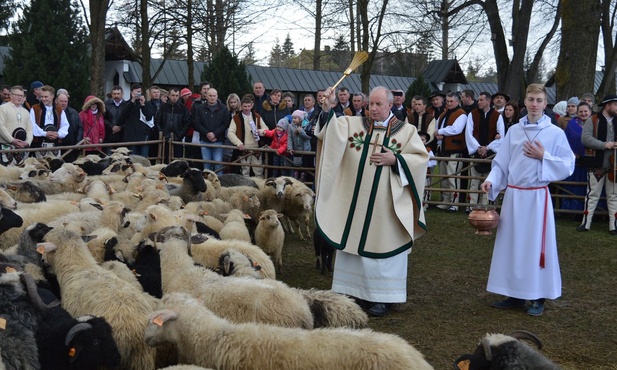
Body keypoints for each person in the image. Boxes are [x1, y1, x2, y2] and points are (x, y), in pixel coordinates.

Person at [314, 86, 428, 317]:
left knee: (384, 243)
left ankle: (383, 297)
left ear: (389, 105)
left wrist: (395, 159)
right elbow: (331, 134)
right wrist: (329, 108)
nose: (373, 109)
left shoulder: (406, 132)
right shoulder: (354, 125)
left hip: (386, 204)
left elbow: (420, 159)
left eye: (378, 105)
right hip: (356, 202)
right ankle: (352, 292)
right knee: (353, 243)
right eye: (370, 105)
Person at [480, 83, 575, 317]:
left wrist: (545, 156)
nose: (534, 104)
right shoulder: (514, 131)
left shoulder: (554, 133)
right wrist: (492, 180)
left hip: (536, 198)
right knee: (512, 244)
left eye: (539, 100)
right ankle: (514, 293)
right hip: (513, 196)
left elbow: (568, 164)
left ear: (545, 104)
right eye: (531, 99)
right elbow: (502, 163)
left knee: (535, 246)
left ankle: (537, 296)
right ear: (524, 102)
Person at [577, 94, 617, 234]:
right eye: (615, 104)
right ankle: (585, 223)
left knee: (613, 195)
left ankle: (614, 225)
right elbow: (585, 138)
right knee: (592, 194)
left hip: (615, 165)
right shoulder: (592, 120)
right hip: (596, 163)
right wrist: (604, 145)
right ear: (607, 105)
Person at [465, 92, 505, 210]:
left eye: (482, 100)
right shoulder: (472, 114)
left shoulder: (497, 115)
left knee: (488, 180)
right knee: (474, 181)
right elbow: (469, 133)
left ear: (488, 101)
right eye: (478, 100)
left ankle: (485, 205)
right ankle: (472, 205)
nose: (479, 102)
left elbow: (501, 135)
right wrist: (478, 148)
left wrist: (488, 147)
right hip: (476, 152)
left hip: (490, 154)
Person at [434, 92, 468, 211]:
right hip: (442, 148)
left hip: (455, 149)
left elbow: (456, 129)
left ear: (457, 101)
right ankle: (445, 200)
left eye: (451, 101)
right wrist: (438, 134)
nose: (449, 103)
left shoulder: (461, 114)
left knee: (453, 177)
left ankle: (455, 203)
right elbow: (436, 128)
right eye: (447, 101)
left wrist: (441, 132)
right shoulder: (443, 114)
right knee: (444, 177)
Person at [561, 102, 592, 213]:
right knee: (574, 186)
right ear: (577, 112)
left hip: (591, 161)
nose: (583, 113)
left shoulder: (595, 123)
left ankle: (591, 211)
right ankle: (572, 211)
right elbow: (566, 140)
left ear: (590, 111)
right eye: (581, 111)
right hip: (576, 161)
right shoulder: (572, 124)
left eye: (585, 111)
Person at [228, 95, 268, 178]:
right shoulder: (236, 118)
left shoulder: (257, 116)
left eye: (248, 106)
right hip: (244, 147)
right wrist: (238, 143)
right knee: (244, 170)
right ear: (241, 106)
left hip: (256, 148)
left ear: (252, 105)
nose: (247, 108)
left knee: (258, 170)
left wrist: (259, 131)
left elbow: (265, 129)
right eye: (245, 106)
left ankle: (259, 188)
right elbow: (230, 132)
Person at [192, 88, 230, 172]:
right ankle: (207, 183)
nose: (212, 98)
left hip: (218, 140)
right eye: (210, 96)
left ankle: (219, 182)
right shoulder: (200, 108)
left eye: (214, 96)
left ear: (217, 96)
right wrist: (207, 133)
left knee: (218, 164)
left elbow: (226, 123)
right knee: (206, 164)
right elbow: (197, 123)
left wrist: (215, 134)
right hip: (205, 140)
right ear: (206, 96)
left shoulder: (223, 109)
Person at [29, 85, 69, 159]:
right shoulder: (35, 109)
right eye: (42, 97)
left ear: (52, 96)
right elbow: (32, 125)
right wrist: (45, 133)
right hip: (40, 144)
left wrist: (58, 134)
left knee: (55, 166)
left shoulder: (59, 110)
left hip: (55, 144)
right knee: (41, 167)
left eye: (46, 97)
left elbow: (65, 125)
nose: (43, 99)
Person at [117, 83, 156, 158]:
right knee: (132, 159)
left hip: (143, 137)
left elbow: (149, 117)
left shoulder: (147, 104)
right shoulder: (126, 104)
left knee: (143, 159)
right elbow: (122, 116)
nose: (138, 94)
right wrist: (132, 101)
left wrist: (143, 105)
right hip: (131, 137)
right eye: (136, 92)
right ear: (131, 93)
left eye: (139, 92)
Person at [155, 87, 191, 163]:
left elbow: (187, 123)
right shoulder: (163, 107)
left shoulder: (183, 108)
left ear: (179, 96)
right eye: (173, 95)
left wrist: (180, 135)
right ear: (169, 95)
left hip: (178, 138)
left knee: (177, 161)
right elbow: (157, 121)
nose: (174, 97)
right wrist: (162, 132)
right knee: (165, 161)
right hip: (165, 138)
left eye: (176, 95)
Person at [0, 86, 32, 166]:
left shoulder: (26, 112)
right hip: (5, 147)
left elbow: (30, 129)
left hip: (22, 149)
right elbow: (1, 126)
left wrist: (27, 142)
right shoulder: (2, 108)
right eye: (17, 95)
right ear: (10, 95)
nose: (20, 97)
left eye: (21, 95)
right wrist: (12, 140)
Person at [55, 90, 83, 162]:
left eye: (65, 101)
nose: (63, 103)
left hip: (71, 147)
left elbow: (80, 127)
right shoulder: (52, 112)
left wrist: (78, 142)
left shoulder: (73, 112)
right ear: (56, 101)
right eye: (61, 101)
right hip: (57, 146)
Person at [287, 110, 311, 181]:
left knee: (305, 163)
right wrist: (290, 148)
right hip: (296, 148)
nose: (293, 120)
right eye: (293, 118)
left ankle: (303, 176)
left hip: (305, 149)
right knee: (296, 163)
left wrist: (301, 131)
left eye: (295, 118)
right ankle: (296, 176)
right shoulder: (290, 126)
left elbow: (308, 137)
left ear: (300, 119)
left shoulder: (307, 125)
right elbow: (290, 138)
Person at [418, 131, 437, 211]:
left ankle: (424, 204)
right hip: (415, 173)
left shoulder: (428, 150)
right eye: (418, 139)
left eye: (422, 139)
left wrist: (425, 164)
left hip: (425, 173)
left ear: (426, 141)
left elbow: (434, 162)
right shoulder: (412, 149)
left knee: (425, 188)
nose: (420, 141)